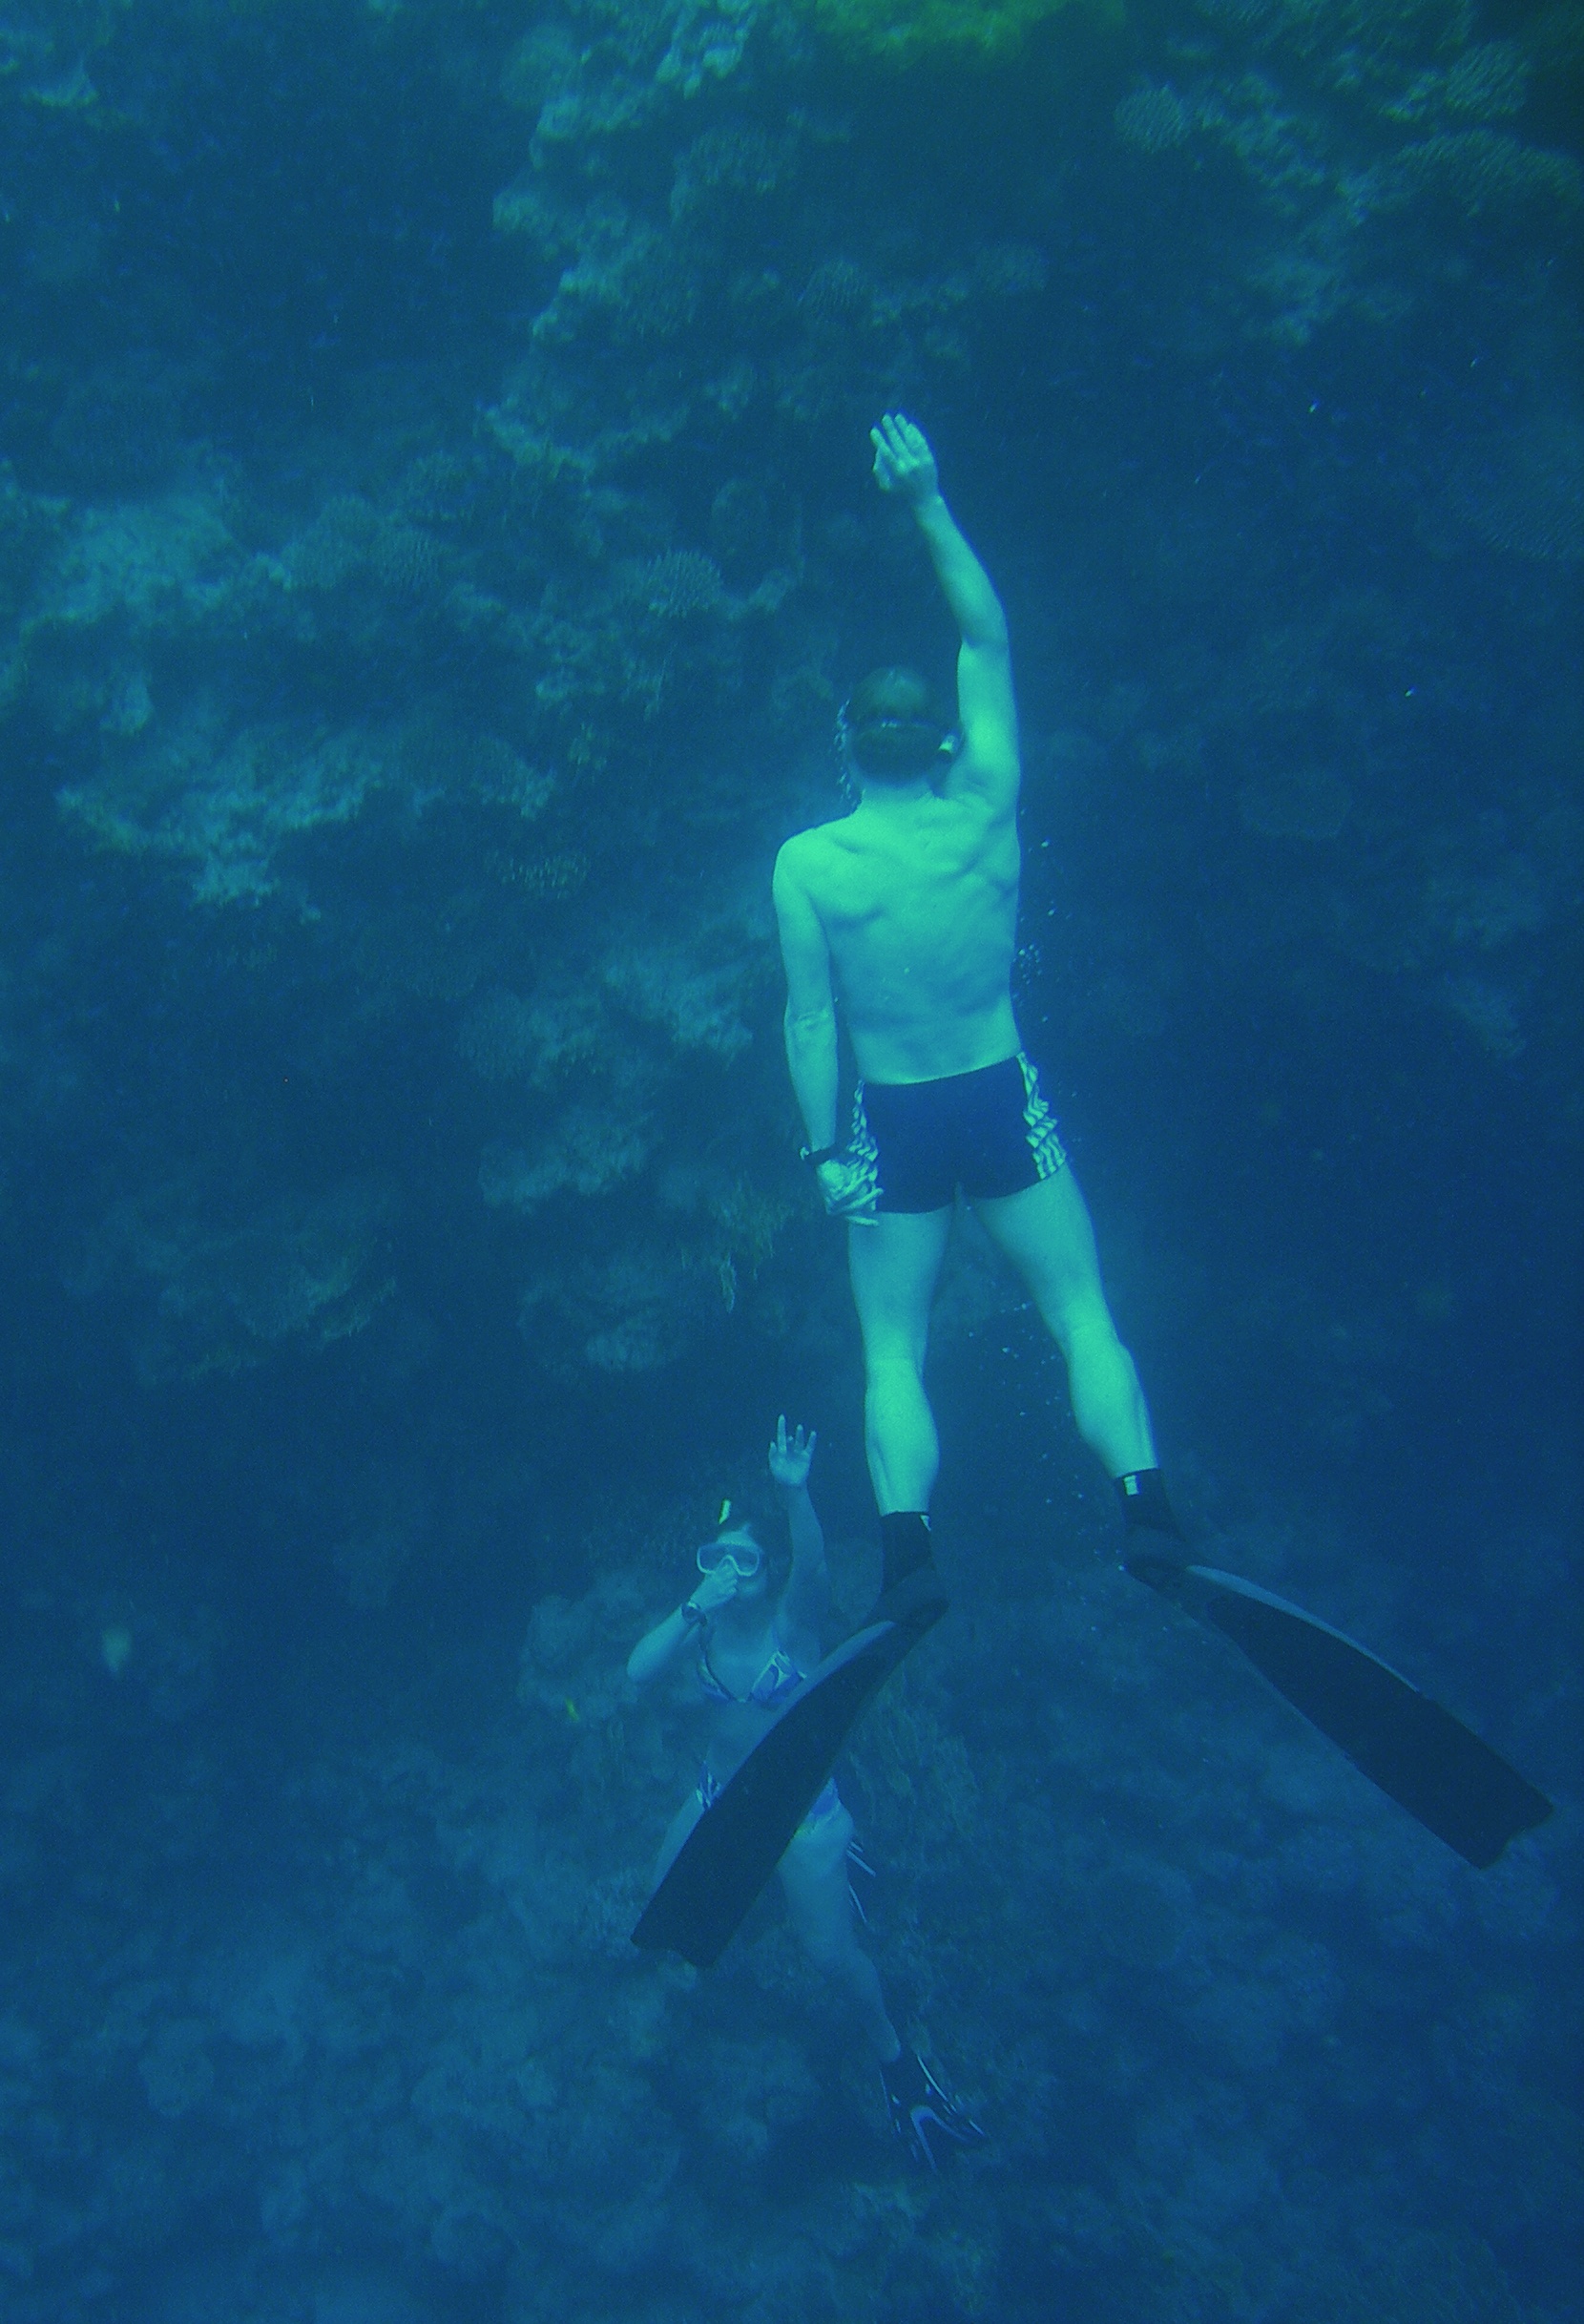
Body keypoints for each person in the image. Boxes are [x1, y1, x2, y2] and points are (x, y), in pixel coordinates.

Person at [772, 414, 1183, 1619]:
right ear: (941, 739)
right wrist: (928, 500)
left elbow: (810, 1025)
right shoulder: (988, 800)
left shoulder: (808, 860)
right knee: (1078, 1313)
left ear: (846, 744)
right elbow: (987, 634)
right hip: (998, 1091)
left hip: (890, 1118)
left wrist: (821, 1155)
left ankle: (906, 1554)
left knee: (892, 1351)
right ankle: (1146, 1506)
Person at [627, 1416, 982, 2167]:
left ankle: (895, 2058)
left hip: (802, 1817)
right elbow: (635, 1671)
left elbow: (814, 1566)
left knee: (828, 1956)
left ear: (768, 1571)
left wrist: (795, 1494)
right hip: (720, 1793)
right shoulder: (699, 1630)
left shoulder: (795, 1624)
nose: (729, 1572)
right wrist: (695, 1599)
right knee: (661, 1902)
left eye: (744, 1562)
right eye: (716, 1558)